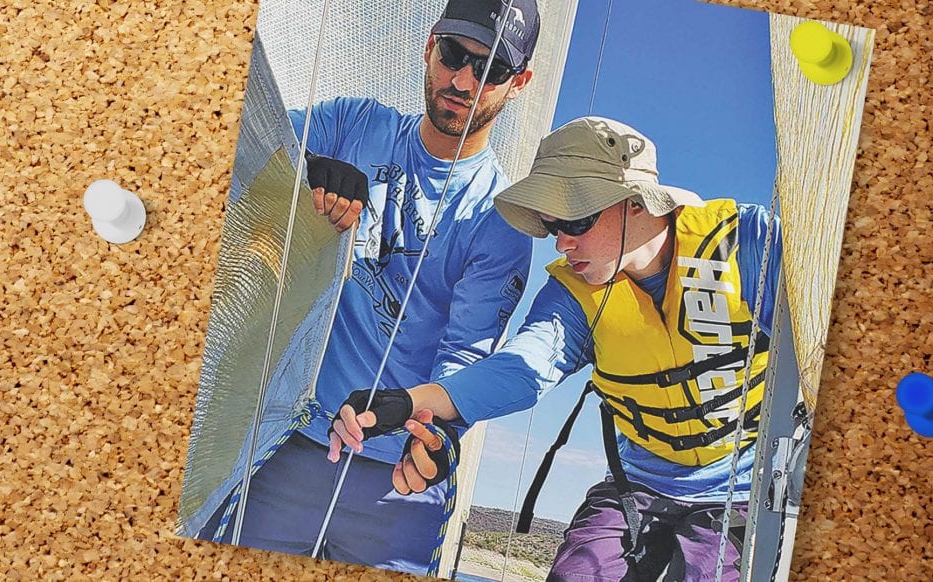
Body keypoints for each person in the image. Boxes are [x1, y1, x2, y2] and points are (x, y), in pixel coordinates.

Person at [329, 116, 782, 581]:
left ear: (638, 203)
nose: (563, 242)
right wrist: (410, 401)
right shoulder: (574, 293)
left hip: (742, 492)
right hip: (636, 486)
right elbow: (524, 366)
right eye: (552, 225)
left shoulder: (749, 245)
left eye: (577, 219)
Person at [197, 0, 543, 575]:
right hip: (283, 443)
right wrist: (305, 164)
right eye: (454, 54)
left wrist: (436, 441)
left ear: (519, 82)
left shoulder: (500, 221)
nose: (460, 80)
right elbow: (237, 137)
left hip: (399, 487)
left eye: (488, 70)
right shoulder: (351, 124)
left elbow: (465, 356)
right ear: (430, 44)